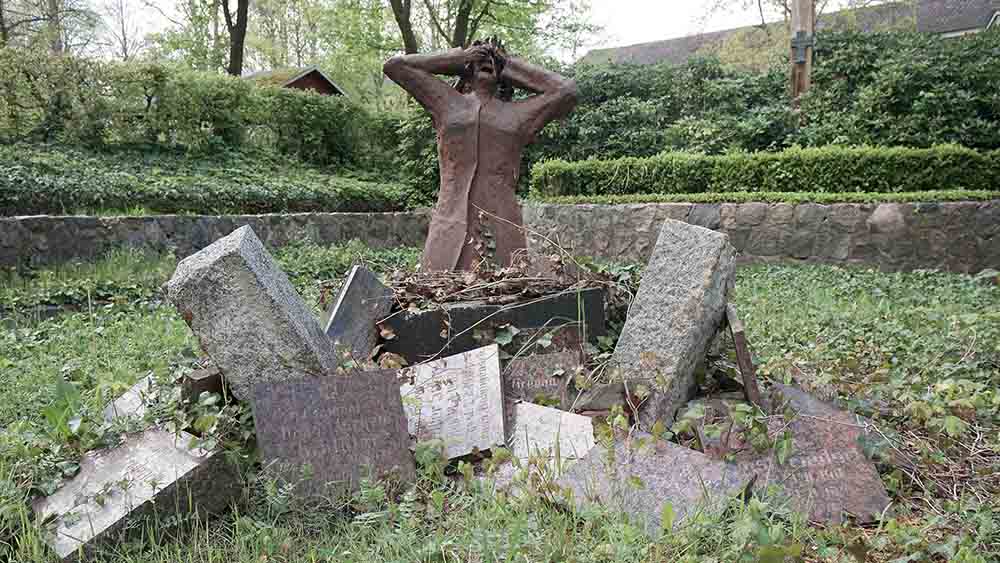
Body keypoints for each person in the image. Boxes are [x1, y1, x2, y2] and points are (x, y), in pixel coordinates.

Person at [383, 38, 578, 272]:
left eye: (492, 61)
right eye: (481, 59)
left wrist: (508, 65)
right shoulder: (447, 103)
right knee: (435, 292)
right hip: (448, 224)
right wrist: (460, 58)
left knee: (507, 294)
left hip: (502, 224)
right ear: (468, 70)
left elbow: (566, 90)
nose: (488, 62)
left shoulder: (517, 115)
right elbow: (395, 66)